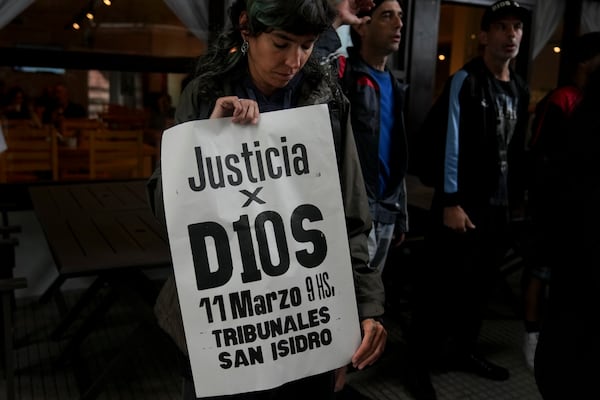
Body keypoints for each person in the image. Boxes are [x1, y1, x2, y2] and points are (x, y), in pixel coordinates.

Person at [146, 1, 387, 399]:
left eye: (307, 45)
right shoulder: (205, 94)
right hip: (229, 326)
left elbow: (350, 216)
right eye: (281, 43)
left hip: (306, 318)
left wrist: (364, 306)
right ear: (247, 29)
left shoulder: (325, 103)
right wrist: (207, 139)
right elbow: (166, 212)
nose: (294, 60)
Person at [404, 2, 530, 399]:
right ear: (484, 35)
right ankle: (416, 365)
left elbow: (517, 152)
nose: (511, 35)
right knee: (440, 289)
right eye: (501, 27)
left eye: (517, 28)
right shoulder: (466, 80)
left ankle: (463, 351)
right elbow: (448, 144)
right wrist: (452, 201)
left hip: (498, 209)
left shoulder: (520, 88)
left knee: (478, 290)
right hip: (462, 207)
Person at [521, 30, 600, 372]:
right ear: (586, 62)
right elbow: (542, 157)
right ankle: (531, 335)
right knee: (540, 270)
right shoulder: (563, 100)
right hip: (553, 207)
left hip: (575, 212)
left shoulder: (589, 101)